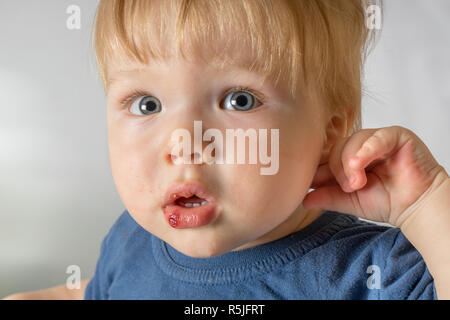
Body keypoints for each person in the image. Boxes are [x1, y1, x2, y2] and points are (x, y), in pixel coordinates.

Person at [4, 0, 450, 300]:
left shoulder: (370, 272)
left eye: (239, 100)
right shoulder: (128, 242)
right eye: (147, 104)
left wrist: (427, 205)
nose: (184, 144)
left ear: (329, 133)